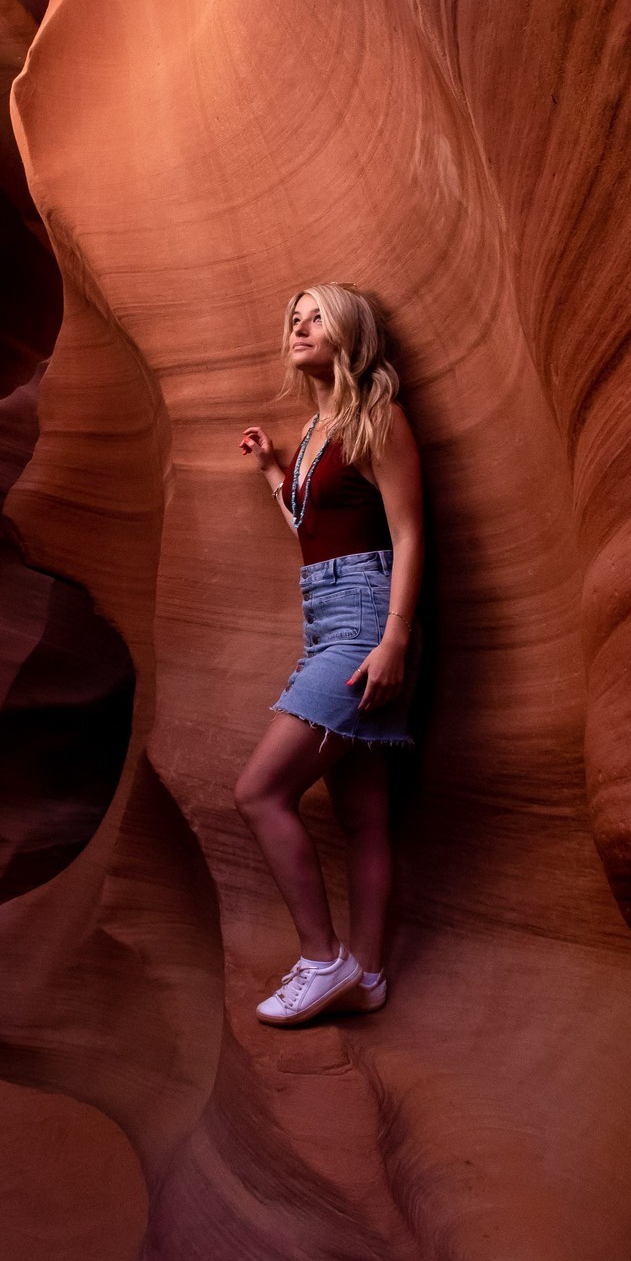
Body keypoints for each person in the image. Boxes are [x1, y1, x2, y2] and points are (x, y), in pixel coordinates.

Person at [236, 284, 423, 1026]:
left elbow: (407, 533)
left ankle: (325, 958)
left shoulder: (381, 418)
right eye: (295, 318)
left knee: (259, 792)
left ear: (349, 333)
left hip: (364, 624)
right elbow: (318, 530)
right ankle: (369, 977)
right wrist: (279, 476)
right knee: (363, 812)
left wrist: (395, 637)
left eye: (316, 317)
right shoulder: (317, 429)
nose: (300, 327)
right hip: (325, 613)